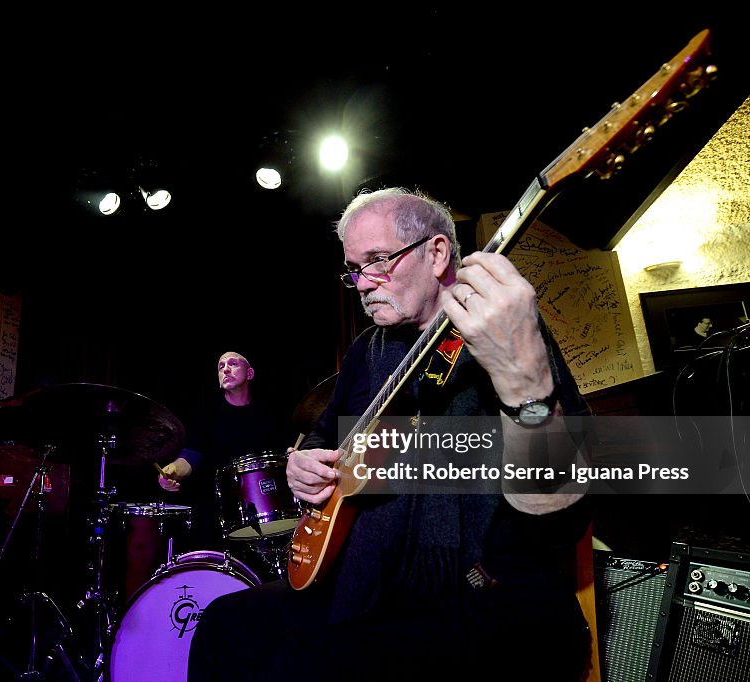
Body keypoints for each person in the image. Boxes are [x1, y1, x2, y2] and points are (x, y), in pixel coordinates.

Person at [188, 188, 593, 681]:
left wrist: (524, 382)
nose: (361, 283)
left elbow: (561, 517)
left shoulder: (505, 328)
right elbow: (321, 434)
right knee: (223, 624)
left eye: (378, 261)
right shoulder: (367, 350)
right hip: (369, 584)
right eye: (354, 268)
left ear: (437, 253)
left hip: (482, 597)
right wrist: (303, 466)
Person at [157, 351, 291, 552]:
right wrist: (172, 470)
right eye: (221, 366)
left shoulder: (270, 412)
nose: (226, 369)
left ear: (250, 373)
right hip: (218, 511)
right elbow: (190, 456)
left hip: (267, 506)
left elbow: (285, 455)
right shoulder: (208, 413)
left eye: (233, 364)